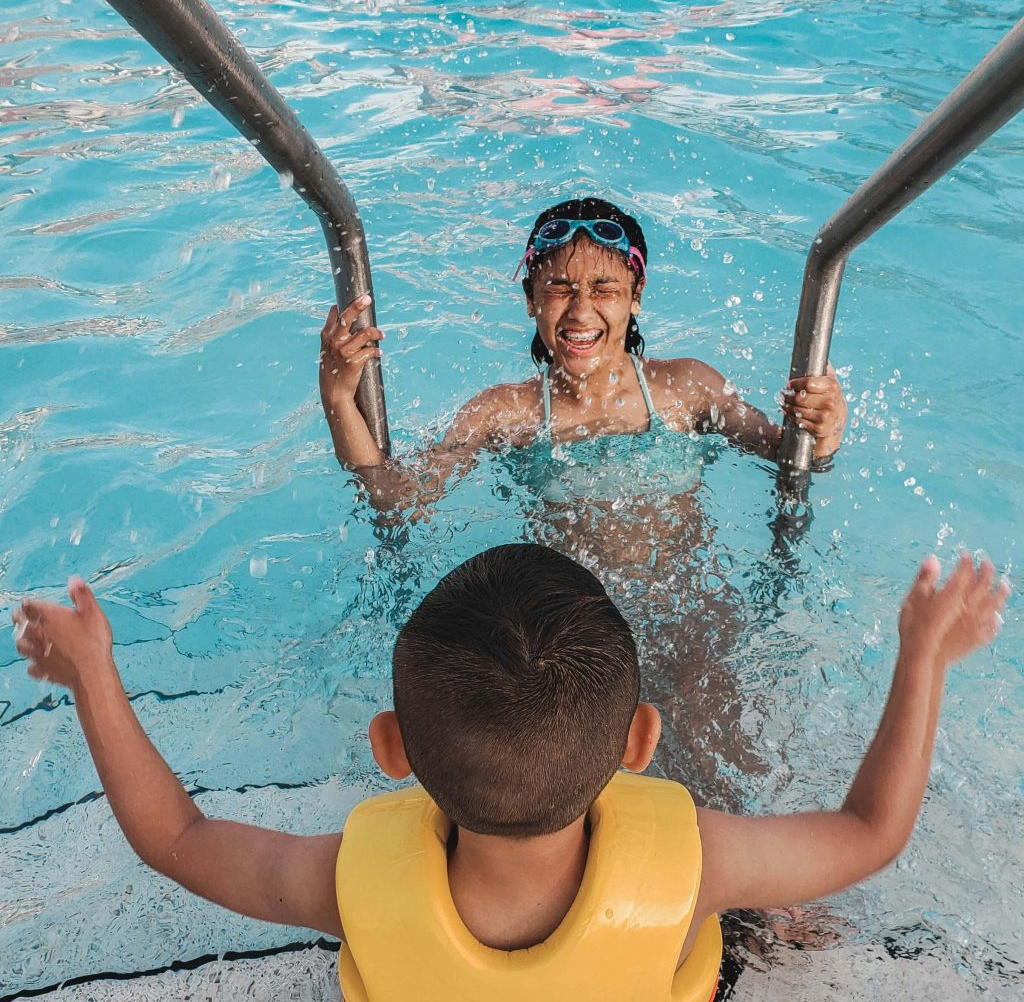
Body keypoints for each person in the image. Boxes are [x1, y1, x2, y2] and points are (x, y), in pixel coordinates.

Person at [13, 545, 1007, 999]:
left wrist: (94, 674)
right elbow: (869, 829)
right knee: (754, 918)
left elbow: (174, 838)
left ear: (389, 751)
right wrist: (922, 654)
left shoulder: (348, 890)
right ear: (640, 739)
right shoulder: (696, 860)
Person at [318, 198, 848, 514]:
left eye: (604, 288)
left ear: (636, 296)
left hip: (684, 616)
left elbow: (790, 462)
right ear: (530, 300)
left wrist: (822, 433)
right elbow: (398, 501)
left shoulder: (687, 387)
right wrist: (339, 396)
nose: (580, 311)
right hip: (563, 637)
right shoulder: (504, 413)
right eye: (559, 288)